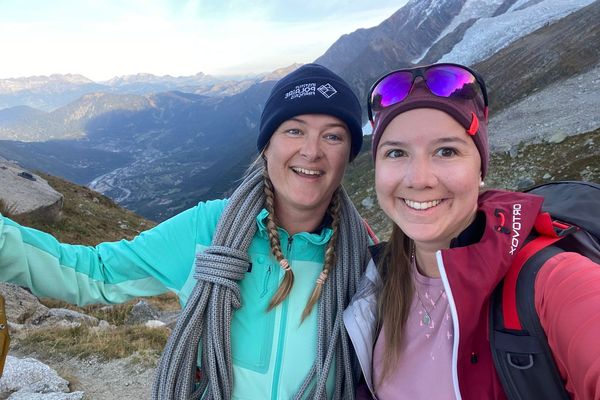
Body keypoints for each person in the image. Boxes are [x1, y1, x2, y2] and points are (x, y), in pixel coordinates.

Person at [0, 63, 371, 399]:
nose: (312, 151)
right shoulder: (207, 229)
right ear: (266, 146)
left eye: (333, 136)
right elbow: (97, 273)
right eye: (294, 130)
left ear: (349, 154)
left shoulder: (367, 258)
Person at [343, 63, 600, 399]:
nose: (419, 178)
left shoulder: (548, 281)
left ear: (480, 166)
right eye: (396, 152)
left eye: (446, 151)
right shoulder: (377, 281)